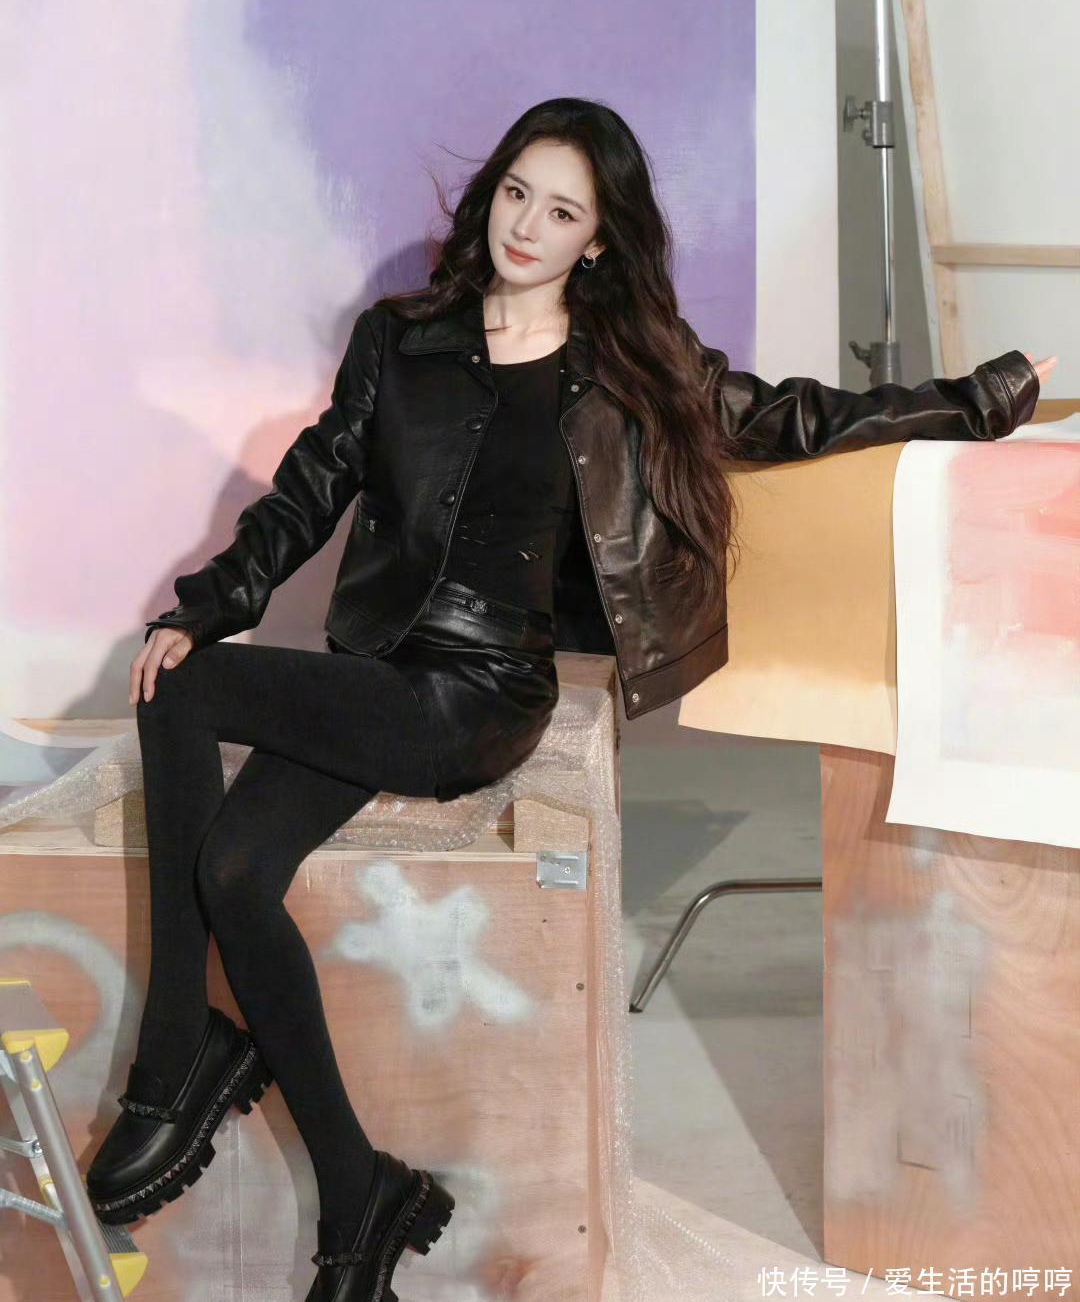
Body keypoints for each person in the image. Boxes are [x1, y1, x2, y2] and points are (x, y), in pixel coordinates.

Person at [84, 97, 1056, 1301]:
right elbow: (308, 489)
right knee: (234, 868)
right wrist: (211, 602)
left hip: (480, 693)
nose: (527, 226)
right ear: (489, 191)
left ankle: (173, 1060)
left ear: (598, 239)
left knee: (184, 695)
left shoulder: (628, 368)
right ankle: (359, 1191)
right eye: (515, 194)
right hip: (375, 671)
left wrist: (980, 398)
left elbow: (795, 416)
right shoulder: (401, 340)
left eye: (561, 212)